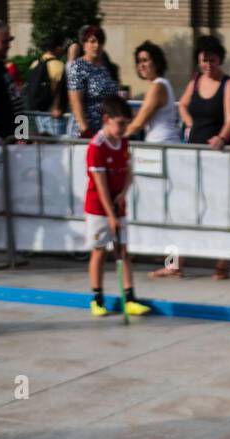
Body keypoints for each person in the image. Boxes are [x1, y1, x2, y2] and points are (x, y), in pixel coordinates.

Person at [159, 37, 230, 281]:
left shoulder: (228, 84)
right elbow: (181, 105)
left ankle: (221, 265)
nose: (208, 65)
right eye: (204, 60)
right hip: (192, 154)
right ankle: (173, 264)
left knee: (219, 210)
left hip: (218, 157)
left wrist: (221, 138)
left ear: (220, 60)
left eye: (212, 60)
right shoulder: (195, 81)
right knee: (181, 209)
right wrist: (190, 123)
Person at [84, 94, 150, 318]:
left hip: (117, 202)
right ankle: (97, 298)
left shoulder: (123, 141)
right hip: (98, 206)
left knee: (122, 250)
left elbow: (129, 171)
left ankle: (129, 297)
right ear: (107, 119)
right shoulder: (97, 146)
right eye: (120, 123)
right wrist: (110, 215)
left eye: (126, 123)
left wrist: (123, 193)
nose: (124, 128)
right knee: (100, 250)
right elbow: (100, 186)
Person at [67, 25, 118, 139]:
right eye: (92, 41)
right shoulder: (78, 67)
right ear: (84, 44)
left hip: (106, 131)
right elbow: (76, 102)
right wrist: (86, 130)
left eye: (100, 42)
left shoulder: (106, 67)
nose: (97, 46)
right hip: (86, 132)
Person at [126, 42, 179, 144]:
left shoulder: (157, 87)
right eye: (138, 61)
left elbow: (138, 124)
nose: (141, 65)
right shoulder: (162, 84)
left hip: (161, 143)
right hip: (162, 142)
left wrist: (113, 136)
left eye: (145, 60)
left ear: (156, 62)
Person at [24, 35, 67, 138]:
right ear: (58, 48)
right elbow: (63, 92)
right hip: (53, 115)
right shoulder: (60, 66)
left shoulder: (34, 64)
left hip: (36, 114)